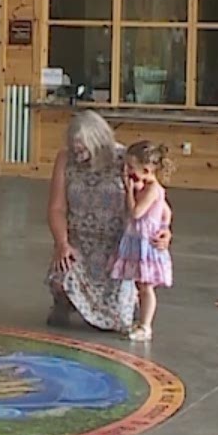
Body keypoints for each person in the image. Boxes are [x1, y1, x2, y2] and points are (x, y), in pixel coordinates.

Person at [46, 111, 173, 332]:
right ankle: (64, 301)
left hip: (117, 248)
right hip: (79, 243)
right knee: (62, 271)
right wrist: (62, 243)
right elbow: (57, 207)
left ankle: (125, 302)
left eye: (84, 148)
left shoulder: (126, 160)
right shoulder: (65, 159)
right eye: (76, 148)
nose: (80, 154)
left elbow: (156, 200)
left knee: (117, 322)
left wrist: (165, 230)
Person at [113, 140, 176, 342]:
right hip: (136, 239)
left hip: (145, 243)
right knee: (139, 285)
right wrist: (165, 226)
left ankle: (145, 325)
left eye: (132, 168)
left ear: (147, 169)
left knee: (146, 287)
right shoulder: (147, 186)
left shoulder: (152, 189)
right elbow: (167, 211)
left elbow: (136, 212)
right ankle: (139, 321)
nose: (128, 172)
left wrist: (129, 191)